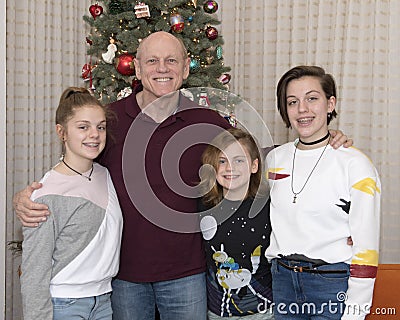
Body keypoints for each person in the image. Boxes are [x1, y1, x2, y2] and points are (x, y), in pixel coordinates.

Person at [13, 32, 352, 320]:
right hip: (123, 277)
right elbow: (78, 165)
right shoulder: (111, 120)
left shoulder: (206, 119)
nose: (162, 69)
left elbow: (251, 157)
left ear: (186, 68)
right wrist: (30, 197)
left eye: (171, 61)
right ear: (138, 68)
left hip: (186, 275)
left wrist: (322, 141)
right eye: (152, 61)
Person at [265, 65, 381, 319]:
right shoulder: (273, 160)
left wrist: (356, 311)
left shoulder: (355, 164)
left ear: (330, 104)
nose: (302, 109)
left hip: (332, 284)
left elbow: (366, 245)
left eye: (312, 99)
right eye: (292, 102)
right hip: (282, 281)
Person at [20, 87, 123, 320]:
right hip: (65, 305)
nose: (94, 134)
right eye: (83, 127)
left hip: (104, 302)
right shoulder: (46, 194)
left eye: (100, 127)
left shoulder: (105, 175)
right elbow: (34, 271)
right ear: (62, 132)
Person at [198, 127, 274, 319]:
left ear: (254, 166)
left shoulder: (269, 205)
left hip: (263, 312)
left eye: (239, 160)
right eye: (222, 161)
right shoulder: (203, 205)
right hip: (217, 312)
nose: (229, 168)